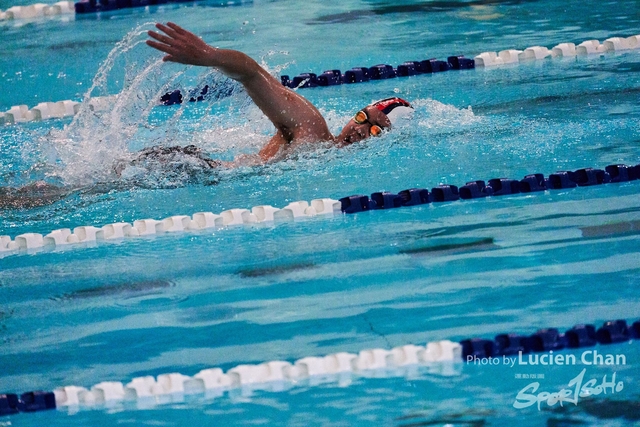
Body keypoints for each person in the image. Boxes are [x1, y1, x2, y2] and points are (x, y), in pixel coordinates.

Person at [145, 22, 413, 165]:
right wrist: (209, 55)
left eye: (375, 131)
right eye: (362, 117)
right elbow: (251, 73)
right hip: (191, 169)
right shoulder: (312, 129)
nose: (360, 129)